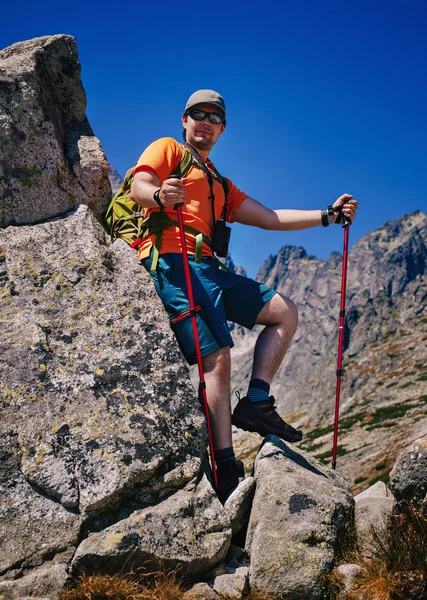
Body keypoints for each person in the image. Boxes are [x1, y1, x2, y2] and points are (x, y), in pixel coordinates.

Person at [130, 90, 358, 503]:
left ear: (222, 129)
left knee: (283, 312)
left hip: (211, 270)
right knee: (217, 358)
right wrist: (161, 195)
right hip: (173, 261)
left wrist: (327, 215)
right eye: (197, 114)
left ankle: (255, 402)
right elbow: (139, 185)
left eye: (213, 117)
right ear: (184, 120)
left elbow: (269, 218)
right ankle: (225, 466)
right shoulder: (168, 150)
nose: (205, 121)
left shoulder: (219, 183)